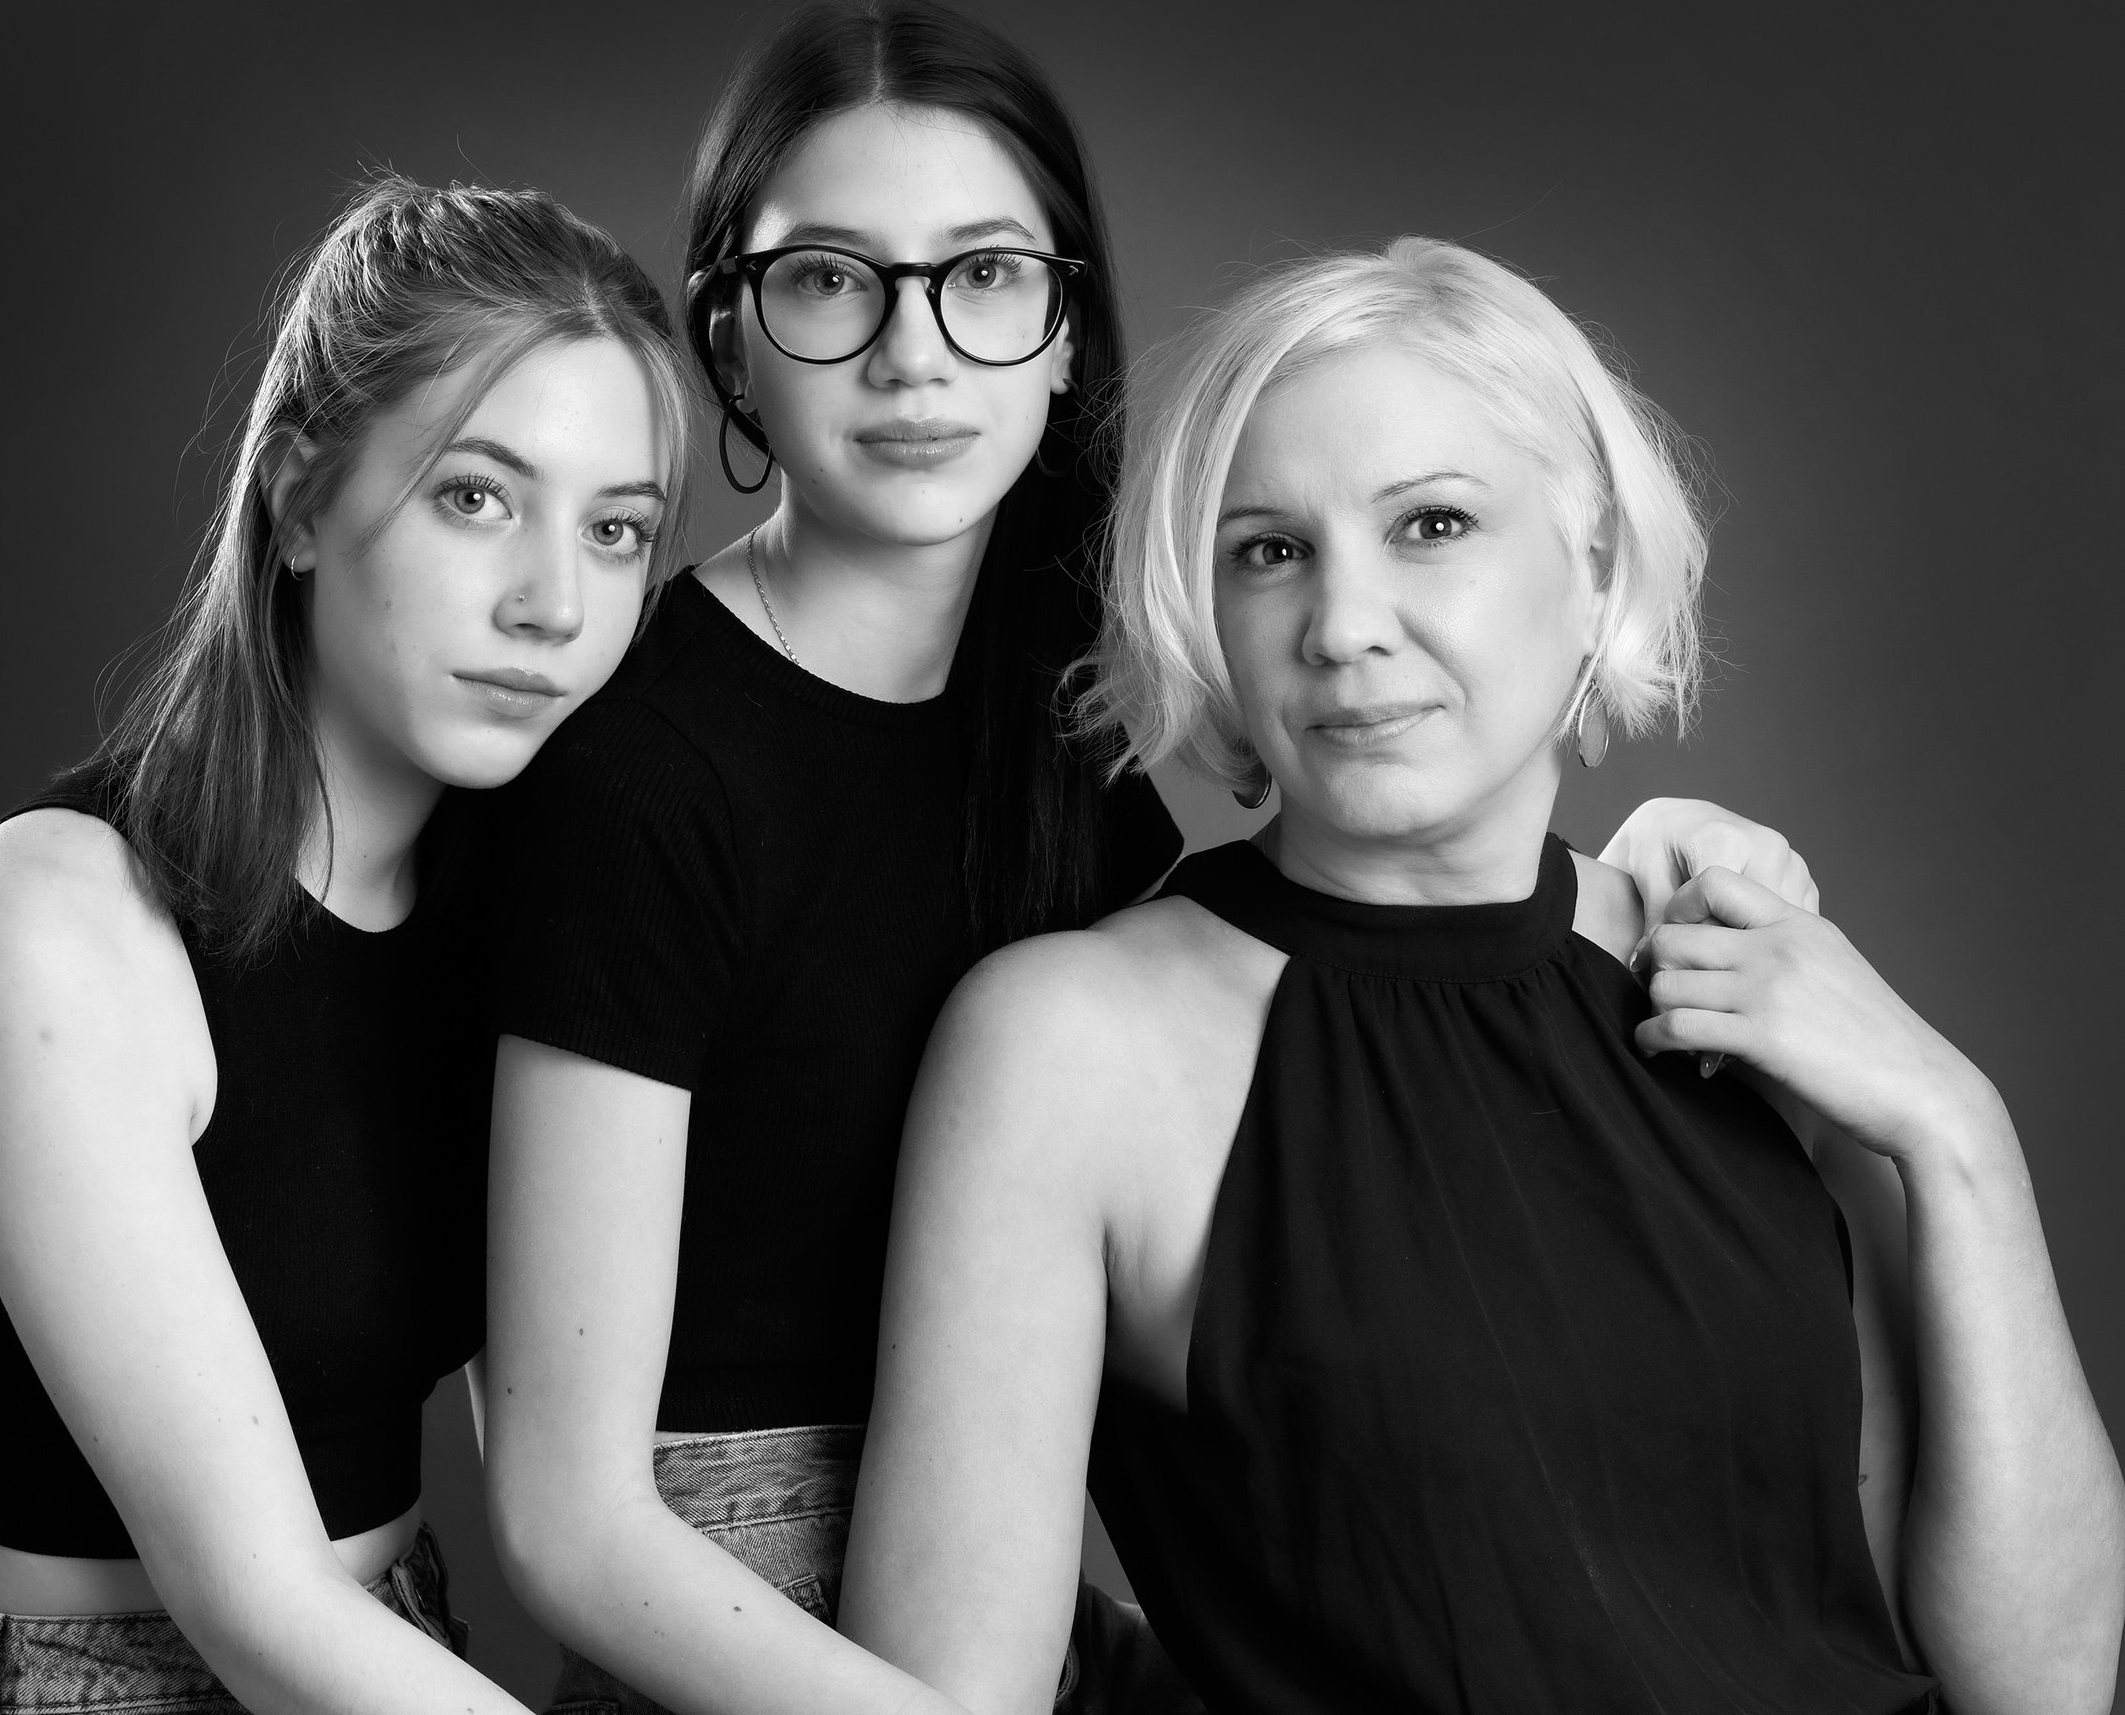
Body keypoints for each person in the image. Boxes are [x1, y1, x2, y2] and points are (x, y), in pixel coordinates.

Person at [480, 0, 1823, 1715]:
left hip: (1009, 1569)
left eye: (982, 277)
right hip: (739, 1622)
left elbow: (1343, 901)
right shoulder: (644, 767)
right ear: (728, 336)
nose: (913, 357)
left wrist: (1638, 857)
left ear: (1061, 328)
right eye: (830, 279)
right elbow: (568, 1520)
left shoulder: (1063, 707)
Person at [838, 238, 2125, 1714]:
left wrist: (1957, 1132)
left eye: (1432, 524)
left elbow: (2047, 1682)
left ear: (1593, 573)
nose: (1344, 626)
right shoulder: (1071, 1047)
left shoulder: (1739, 968)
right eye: (1270, 550)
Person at [0, 175, 693, 1715]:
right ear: (298, 496)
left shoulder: (519, 906)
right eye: (478, 496)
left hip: (414, 1655)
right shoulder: (54, 928)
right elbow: (252, 1599)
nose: (555, 603)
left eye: (617, 531)